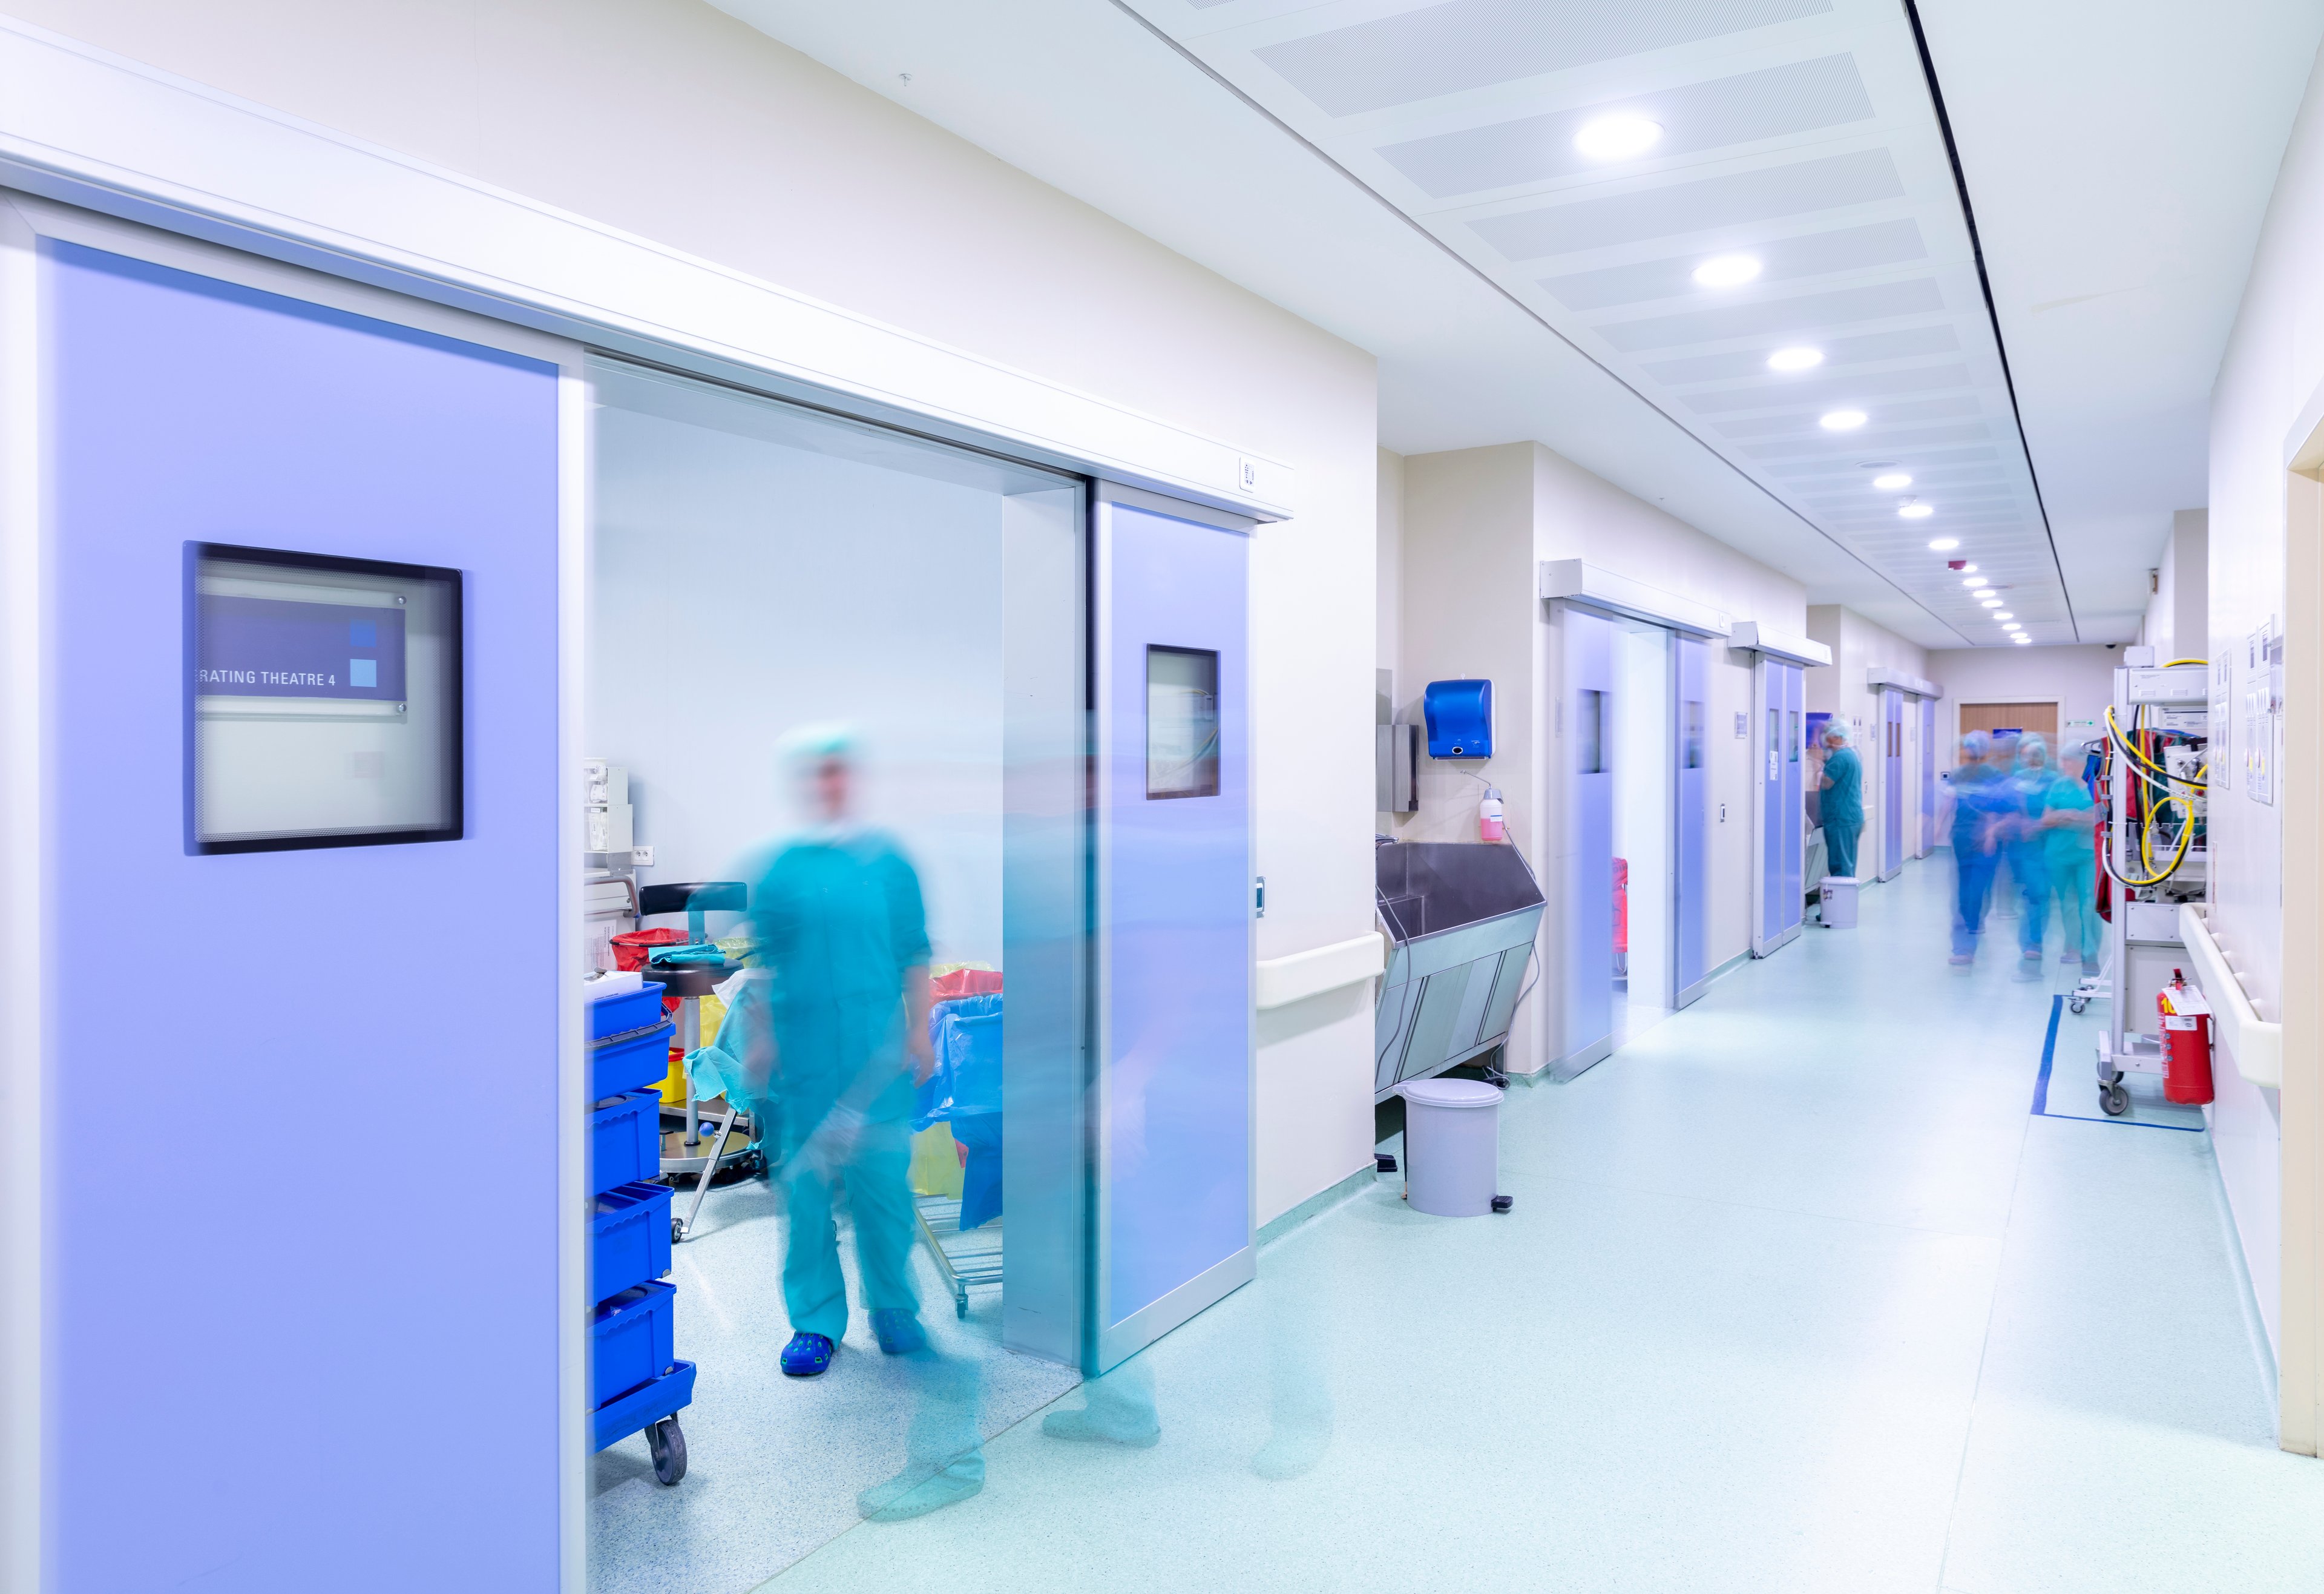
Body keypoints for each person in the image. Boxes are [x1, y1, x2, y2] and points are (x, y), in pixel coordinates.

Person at [2003, 734, 2066, 977]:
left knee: (2038, 895)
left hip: (2047, 844)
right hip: (2023, 846)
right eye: (2028, 755)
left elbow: (2058, 811)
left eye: (2036, 754)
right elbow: (2012, 806)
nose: (2032, 759)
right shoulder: (2017, 780)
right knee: (2030, 894)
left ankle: (2034, 943)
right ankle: (2031, 940)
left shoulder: (2054, 780)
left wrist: (2038, 825)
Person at [2035, 740, 2101, 973]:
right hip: (2059, 855)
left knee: (2089, 904)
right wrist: (2065, 814)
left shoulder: (2097, 784)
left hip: (2088, 855)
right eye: (2062, 760)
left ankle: (2090, 952)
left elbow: (2102, 818)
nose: (2063, 765)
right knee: (2069, 904)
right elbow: (2045, 820)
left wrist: (2078, 818)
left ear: (2082, 761)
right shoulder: (2059, 786)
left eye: (2068, 760)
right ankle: (2073, 947)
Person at [1945, 731, 2004, 964]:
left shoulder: (1995, 775)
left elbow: (1998, 808)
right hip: (1962, 837)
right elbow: (1948, 801)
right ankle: (1964, 946)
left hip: (1985, 840)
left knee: (1978, 887)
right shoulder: (1959, 774)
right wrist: (1935, 825)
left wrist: (1990, 833)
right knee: (1965, 887)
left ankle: (1974, 922)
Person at [1817, 720, 1864, 880]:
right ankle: (1845, 903)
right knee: (1847, 863)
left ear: (1838, 737)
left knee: (1841, 866)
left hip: (1841, 819)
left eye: (1828, 736)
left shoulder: (1839, 758)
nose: (1826, 740)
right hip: (1850, 817)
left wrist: (1818, 763)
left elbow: (1826, 783)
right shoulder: (1852, 754)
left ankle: (1841, 904)